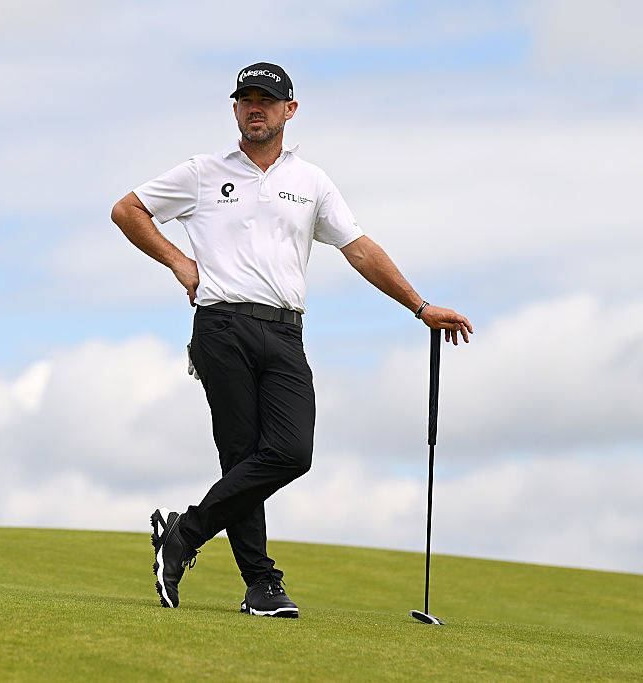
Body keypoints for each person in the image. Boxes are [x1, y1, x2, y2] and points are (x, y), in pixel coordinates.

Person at [111, 62, 473, 618]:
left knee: (290, 453)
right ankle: (261, 584)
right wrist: (179, 261)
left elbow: (358, 248)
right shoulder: (203, 172)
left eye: (267, 99)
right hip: (222, 324)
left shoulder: (311, 182)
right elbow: (127, 209)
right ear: (235, 109)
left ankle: (184, 533)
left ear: (289, 110)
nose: (256, 107)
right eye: (246, 98)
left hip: (284, 331)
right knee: (240, 455)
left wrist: (420, 307)